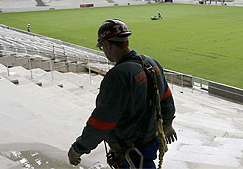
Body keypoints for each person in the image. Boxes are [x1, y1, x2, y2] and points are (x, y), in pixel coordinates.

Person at [68, 19, 177, 169]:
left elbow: (103, 121)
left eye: (102, 47)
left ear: (107, 44)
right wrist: (168, 123)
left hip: (130, 152)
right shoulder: (152, 63)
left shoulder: (118, 75)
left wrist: (79, 148)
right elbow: (166, 99)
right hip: (150, 143)